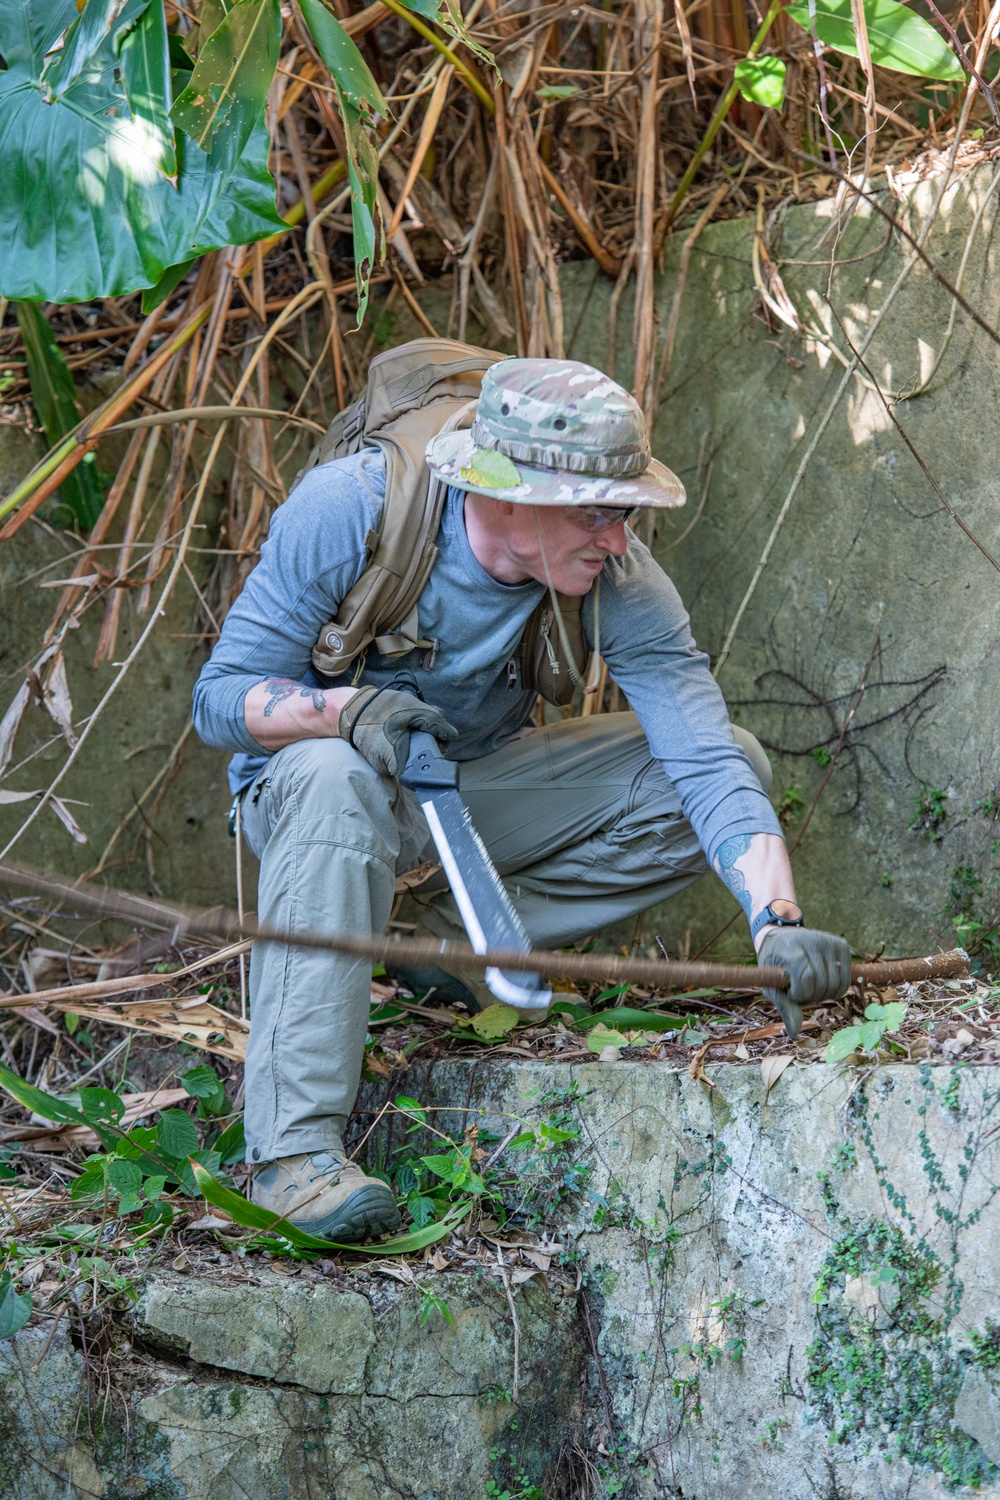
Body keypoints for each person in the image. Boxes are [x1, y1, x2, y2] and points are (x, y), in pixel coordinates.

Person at [192, 356, 851, 1243]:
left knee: (730, 760)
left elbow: (700, 753)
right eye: (595, 511)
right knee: (337, 776)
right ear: (501, 491)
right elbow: (219, 701)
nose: (616, 539)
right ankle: (290, 1158)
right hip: (309, 797)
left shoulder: (615, 571)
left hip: (465, 800)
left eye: (624, 512)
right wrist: (344, 710)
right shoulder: (350, 507)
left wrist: (776, 918)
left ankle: (448, 946)